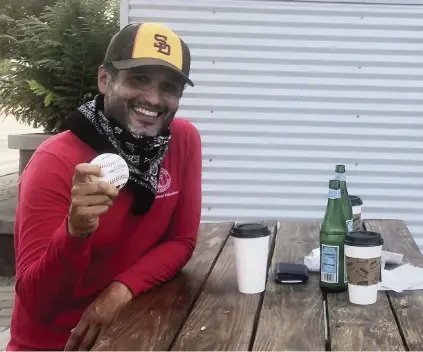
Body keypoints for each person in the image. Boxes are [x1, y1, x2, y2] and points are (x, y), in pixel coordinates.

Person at [6, 22, 202, 351]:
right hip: (56, 343)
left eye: (169, 87)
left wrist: (120, 290)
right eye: (139, 79)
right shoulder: (54, 162)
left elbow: (181, 240)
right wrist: (75, 232)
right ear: (105, 79)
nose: (153, 99)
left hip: (133, 327)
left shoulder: (182, 141)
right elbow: (39, 306)